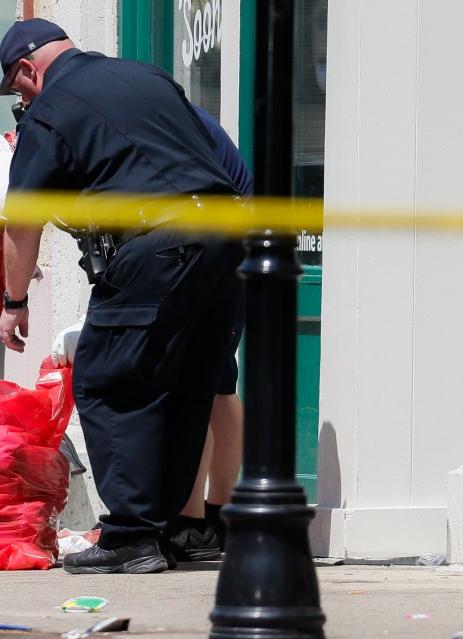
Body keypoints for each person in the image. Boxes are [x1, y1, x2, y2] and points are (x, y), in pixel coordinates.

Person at [0, 18, 244, 574]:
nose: (22, 99)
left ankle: (131, 534)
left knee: (109, 379)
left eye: (18, 88)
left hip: (160, 245)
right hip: (226, 243)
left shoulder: (53, 107)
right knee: (184, 387)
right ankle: (164, 529)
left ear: (30, 70)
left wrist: (14, 303)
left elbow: (22, 220)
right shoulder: (147, 78)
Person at [162, 105, 254, 562]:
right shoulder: (174, 113)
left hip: (216, 248)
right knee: (218, 381)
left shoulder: (160, 119)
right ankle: (218, 516)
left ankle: (193, 522)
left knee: (197, 384)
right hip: (232, 243)